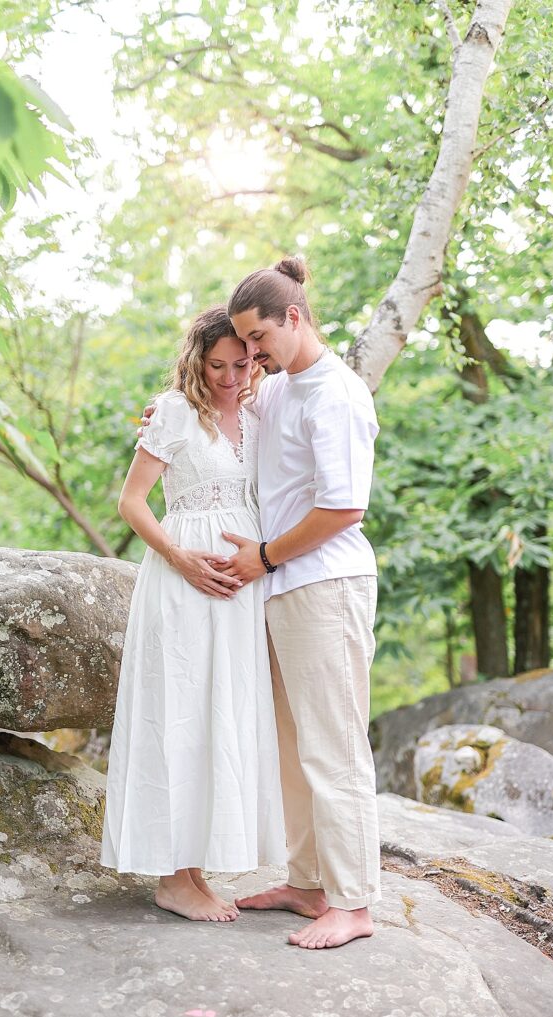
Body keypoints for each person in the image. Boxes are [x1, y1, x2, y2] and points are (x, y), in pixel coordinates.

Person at [100, 306, 286, 923]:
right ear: (195, 361)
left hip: (240, 585)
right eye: (217, 365)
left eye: (243, 363)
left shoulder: (260, 410)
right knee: (179, 709)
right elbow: (132, 502)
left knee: (220, 713)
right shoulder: (175, 411)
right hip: (182, 579)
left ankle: (196, 869)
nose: (231, 377)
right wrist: (181, 558)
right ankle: (173, 877)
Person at [219, 256, 381, 950]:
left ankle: (354, 902)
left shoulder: (333, 395)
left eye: (260, 340)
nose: (252, 356)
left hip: (323, 585)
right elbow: (226, 416)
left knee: (332, 748)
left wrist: (260, 556)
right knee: (290, 749)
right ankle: (307, 882)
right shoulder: (280, 389)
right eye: (243, 345)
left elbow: (343, 507)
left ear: (295, 317)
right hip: (282, 589)